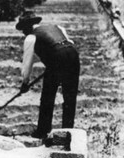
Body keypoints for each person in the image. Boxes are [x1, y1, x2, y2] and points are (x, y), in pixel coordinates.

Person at [16, 10, 80, 139]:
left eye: (23, 29)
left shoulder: (30, 37)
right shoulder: (57, 27)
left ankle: (42, 131)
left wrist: (25, 83)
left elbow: (27, 63)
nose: (23, 33)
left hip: (57, 59)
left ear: (27, 27)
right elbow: (69, 43)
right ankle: (68, 132)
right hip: (73, 54)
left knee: (47, 96)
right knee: (70, 96)